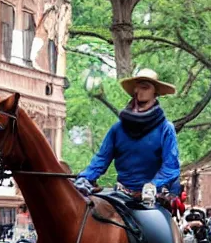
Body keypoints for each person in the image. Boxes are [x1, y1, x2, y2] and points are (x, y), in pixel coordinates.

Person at [74, 68, 181, 198]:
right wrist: (85, 178)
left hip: (152, 198)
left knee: (156, 219)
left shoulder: (165, 129)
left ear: (155, 92)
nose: (139, 91)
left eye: (145, 87)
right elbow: (101, 159)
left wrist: (152, 185)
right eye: (137, 87)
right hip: (120, 195)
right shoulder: (117, 129)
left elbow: (171, 167)